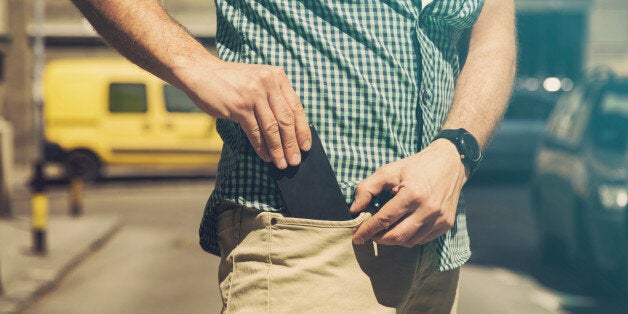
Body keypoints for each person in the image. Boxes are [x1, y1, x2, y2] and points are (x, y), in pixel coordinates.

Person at [72, 0, 515, 312]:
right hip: (308, 236)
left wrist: (456, 150)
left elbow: (492, 35)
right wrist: (195, 65)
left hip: (440, 245)